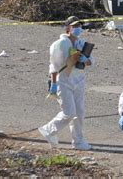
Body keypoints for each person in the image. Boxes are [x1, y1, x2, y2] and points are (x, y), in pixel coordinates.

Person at [38, 16, 95, 150]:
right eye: (75, 26)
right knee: (69, 112)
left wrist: (85, 59)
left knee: (79, 112)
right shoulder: (60, 44)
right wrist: (53, 84)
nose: (78, 29)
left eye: (80, 26)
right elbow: (54, 65)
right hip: (63, 81)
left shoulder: (81, 43)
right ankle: (48, 129)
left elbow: (92, 61)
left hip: (79, 80)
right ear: (68, 28)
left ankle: (78, 141)